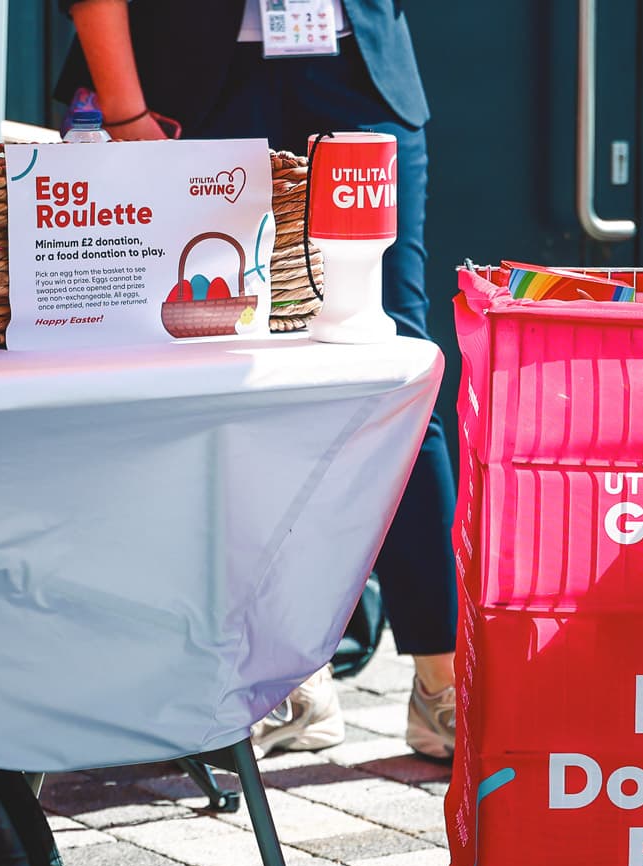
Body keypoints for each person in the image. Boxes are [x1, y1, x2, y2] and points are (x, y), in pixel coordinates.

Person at [60, 0, 458, 760]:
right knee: (215, 376)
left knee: (396, 369)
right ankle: (281, 677)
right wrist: (124, 111)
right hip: (192, 92)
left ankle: (442, 680)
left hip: (357, 77)